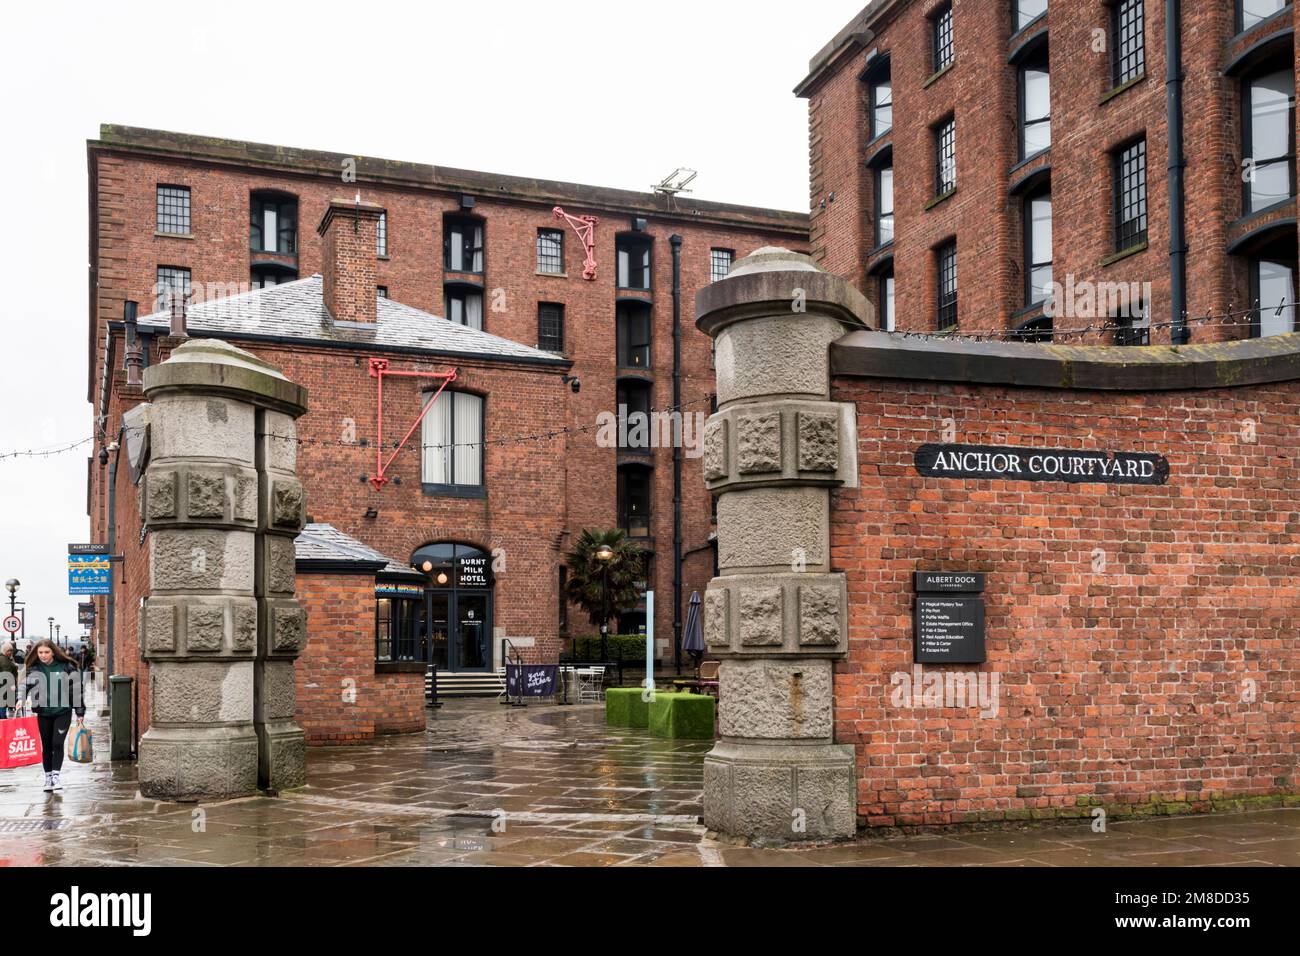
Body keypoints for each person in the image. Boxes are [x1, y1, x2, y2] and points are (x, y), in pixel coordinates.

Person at [21, 640, 86, 792]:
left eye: (46, 652)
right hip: (43, 712)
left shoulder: (66, 667)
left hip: (62, 711)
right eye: (40, 652)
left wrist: (80, 712)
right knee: (47, 745)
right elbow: (24, 685)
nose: (43, 655)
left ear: (53, 652)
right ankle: (48, 778)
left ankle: (56, 776)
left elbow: (76, 690)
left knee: (57, 743)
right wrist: (20, 699)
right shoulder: (34, 668)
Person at [0, 642, 18, 719]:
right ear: (4, 651)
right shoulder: (4, 660)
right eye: (8, 651)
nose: (10, 652)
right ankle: (2, 718)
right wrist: (11, 684)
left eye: (11, 650)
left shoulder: (4, 658)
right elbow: (6, 674)